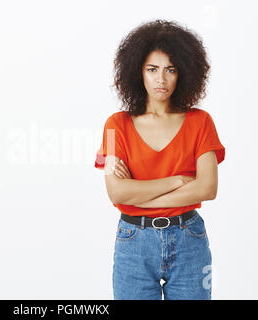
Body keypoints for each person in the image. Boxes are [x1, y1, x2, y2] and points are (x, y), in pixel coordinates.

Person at [94, 19, 225, 300]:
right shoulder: (114, 125)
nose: (161, 79)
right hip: (133, 242)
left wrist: (140, 197)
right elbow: (116, 192)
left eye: (170, 70)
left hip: (189, 239)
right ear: (137, 72)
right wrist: (177, 181)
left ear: (184, 73)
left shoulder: (200, 122)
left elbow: (207, 189)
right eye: (152, 69)